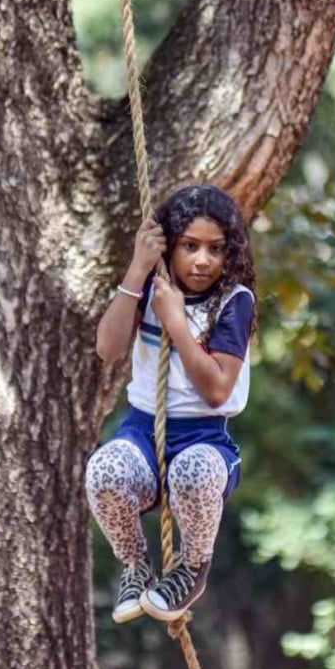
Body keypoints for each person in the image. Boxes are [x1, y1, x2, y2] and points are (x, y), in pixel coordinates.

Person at [86, 184, 257, 623]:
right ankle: (134, 565)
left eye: (215, 249)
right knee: (104, 471)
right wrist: (137, 270)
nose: (202, 260)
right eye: (190, 246)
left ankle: (193, 565)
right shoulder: (149, 287)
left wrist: (178, 325)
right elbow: (108, 348)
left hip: (205, 440)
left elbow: (217, 390)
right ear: (171, 245)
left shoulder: (233, 302)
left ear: (229, 253)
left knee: (193, 471)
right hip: (144, 431)